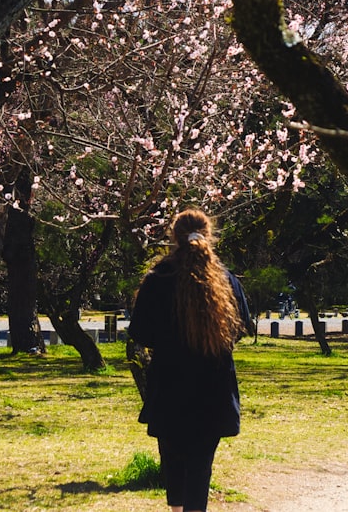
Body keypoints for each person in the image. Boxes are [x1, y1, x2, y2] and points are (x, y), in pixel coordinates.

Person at [128, 208, 250, 512]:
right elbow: (240, 328)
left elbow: (141, 333)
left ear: (174, 237)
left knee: (173, 462)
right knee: (200, 466)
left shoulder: (157, 280)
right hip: (213, 387)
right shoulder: (227, 280)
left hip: (169, 385)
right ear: (208, 235)